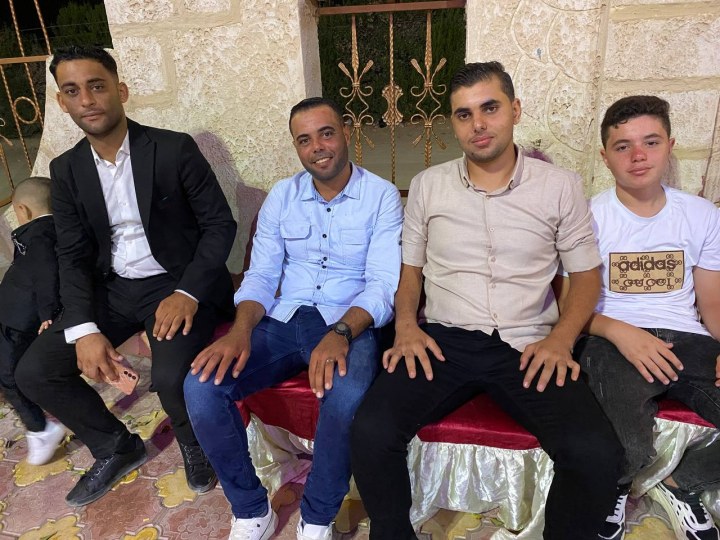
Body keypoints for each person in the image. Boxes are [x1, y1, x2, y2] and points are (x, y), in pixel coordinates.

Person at [350, 61, 624, 540]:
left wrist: (561, 340)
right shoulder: (429, 186)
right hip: (444, 341)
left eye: (489, 108)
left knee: (595, 453)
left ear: (515, 110)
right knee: (371, 431)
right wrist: (407, 326)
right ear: (453, 123)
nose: (477, 124)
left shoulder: (560, 187)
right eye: (464, 114)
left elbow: (585, 276)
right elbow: (410, 272)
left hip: (529, 343)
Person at [15, 45, 237, 507]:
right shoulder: (66, 170)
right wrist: (83, 328)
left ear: (121, 91)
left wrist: (188, 292)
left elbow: (220, 225)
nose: (87, 100)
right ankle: (116, 446)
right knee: (35, 371)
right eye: (72, 91)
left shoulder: (173, 149)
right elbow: (73, 254)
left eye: (96, 86)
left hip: (175, 283)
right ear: (61, 102)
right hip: (113, 288)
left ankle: (195, 444)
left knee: (172, 377)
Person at [184, 96, 403, 540]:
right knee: (201, 386)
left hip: (349, 322)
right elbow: (262, 275)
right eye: (304, 140)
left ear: (346, 133)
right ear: (297, 147)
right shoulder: (282, 196)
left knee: (347, 396)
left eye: (326, 133)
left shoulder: (380, 196)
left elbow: (382, 283)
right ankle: (251, 509)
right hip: (284, 319)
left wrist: (341, 332)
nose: (317, 147)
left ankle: (318, 515)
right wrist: (239, 331)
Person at [571, 95, 720, 540]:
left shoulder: (701, 215)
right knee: (627, 445)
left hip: (686, 338)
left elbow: (712, 305)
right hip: (611, 339)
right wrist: (618, 331)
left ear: (669, 146)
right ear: (605, 156)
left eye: (650, 142)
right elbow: (567, 305)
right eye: (623, 146)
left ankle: (683, 482)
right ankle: (614, 491)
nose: (638, 156)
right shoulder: (587, 217)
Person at [0, 177, 66, 465]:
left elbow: (46, 274)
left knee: (7, 376)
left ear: (22, 210)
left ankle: (40, 430)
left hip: (18, 321)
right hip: (12, 316)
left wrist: (47, 313)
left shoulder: (39, 234)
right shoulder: (49, 231)